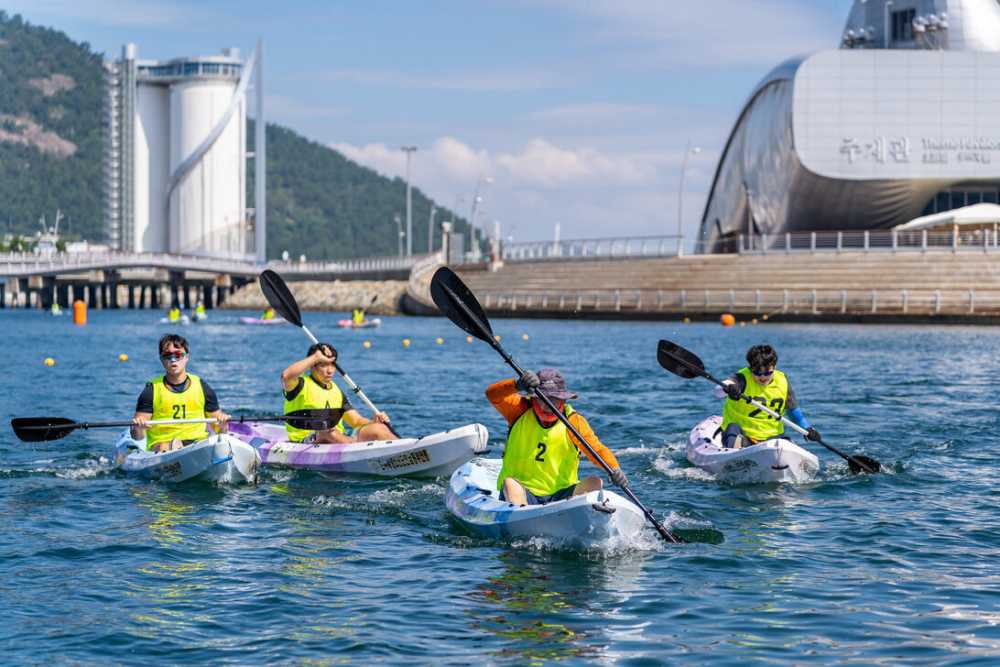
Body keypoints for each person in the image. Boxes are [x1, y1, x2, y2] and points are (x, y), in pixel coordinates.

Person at [487, 368, 628, 506]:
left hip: (562, 497)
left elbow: (597, 450)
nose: (547, 406)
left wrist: (614, 469)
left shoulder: (574, 421)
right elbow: (492, 395)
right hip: (522, 494)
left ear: (563, 400)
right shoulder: (519, 410)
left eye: (554, 399)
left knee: (595, 482)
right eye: (543, 399)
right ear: (533, 399)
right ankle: (522, 516)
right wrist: (516, 385)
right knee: (509, 483)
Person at [131, 334, 230, 453]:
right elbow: (137, 437)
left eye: (178, 355)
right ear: (161, 360)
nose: (173, 360)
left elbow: (219, 429)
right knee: (164, 447)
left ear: (187, 357)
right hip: (162, 447)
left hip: (198, 444)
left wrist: (223, 424)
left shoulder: (202, 386)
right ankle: (175, 448)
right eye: (168, 356)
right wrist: (138, 428)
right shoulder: (150, 390)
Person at [280, 343, 396, 443]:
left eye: (332, 365)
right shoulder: (299, 385)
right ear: (312, 366)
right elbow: (286, 376)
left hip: (341, 439)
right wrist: (315, 357)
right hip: (306, 440)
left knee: (378, 428)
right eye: (323, 365)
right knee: (328, 431)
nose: (330, 371)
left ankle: (406, 453)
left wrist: (373, 422)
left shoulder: (336, 391)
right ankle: (353, 446)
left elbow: (356, 421)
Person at [718, 344, 820, 449]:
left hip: (773, 437)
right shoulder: (741, 378)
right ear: (750, 368)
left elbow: (793, 411)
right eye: (757, 373)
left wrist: (807, 429)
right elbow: (719, 391)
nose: (762, 377)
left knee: (788, 444)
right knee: (732, 428)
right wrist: (728, 387)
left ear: (774, 367)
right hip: (743, 436)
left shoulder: (782, 381)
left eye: (767, 373)